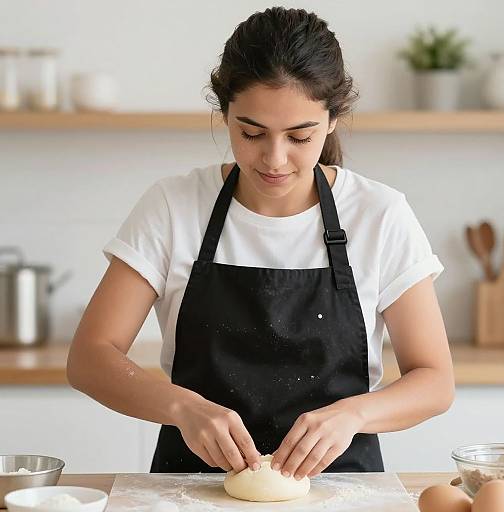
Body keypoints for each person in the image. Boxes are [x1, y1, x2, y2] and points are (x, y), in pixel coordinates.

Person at [67, 6, 454, 480]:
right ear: (224, 113)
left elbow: (435, 381)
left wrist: (355, 415)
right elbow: (89, 357)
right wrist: (180, 406)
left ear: (332, 120)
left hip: (342, 488)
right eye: (251, 133)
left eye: (299, 136)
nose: (275, 159)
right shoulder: (173, 205)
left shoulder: (380, 215)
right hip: (190, 487)